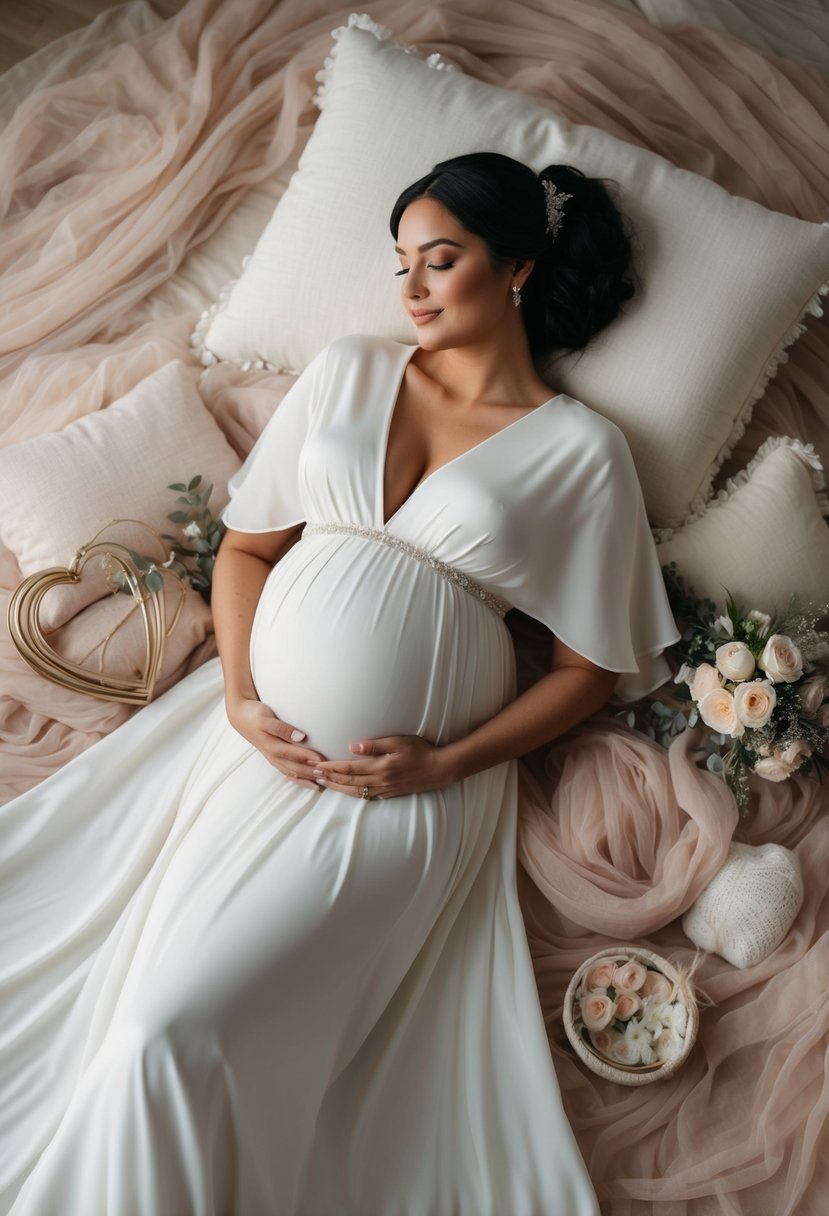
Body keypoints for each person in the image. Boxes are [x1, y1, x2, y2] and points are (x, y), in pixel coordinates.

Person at [1, 152, 679, 1214]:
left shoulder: (581, 453)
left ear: (515, 269)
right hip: (246, 749)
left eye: (439, 259)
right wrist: (237, 696)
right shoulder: (351, 370)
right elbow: (243, 550)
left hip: (403, 800)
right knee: (122, 1008)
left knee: (163, 1032)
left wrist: (444, 761)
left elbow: (590, 672)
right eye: (399, 261)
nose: (408, 288)